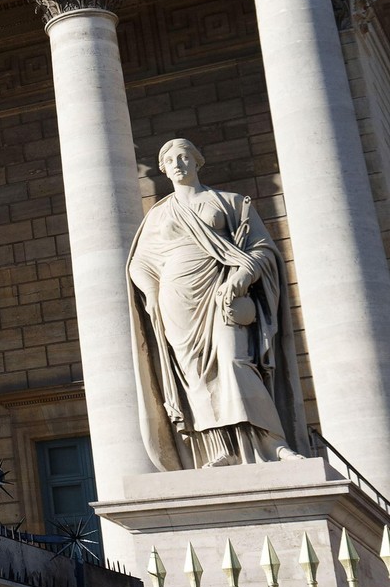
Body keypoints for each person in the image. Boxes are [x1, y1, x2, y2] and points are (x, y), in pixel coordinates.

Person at [129, 138, 306, 468]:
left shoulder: (232, 202)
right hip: (176, 298)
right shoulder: (158, 214)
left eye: (185, 157)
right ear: (164, 170)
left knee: (235, 360)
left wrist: (243, 276)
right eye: (171, 160)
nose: (178, 163)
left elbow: (263, 249)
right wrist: (151, 292)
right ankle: (221, 448)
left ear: (198, 162)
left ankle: (274, 443)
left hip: (222, 290)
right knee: (197, 376)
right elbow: (139, 263)